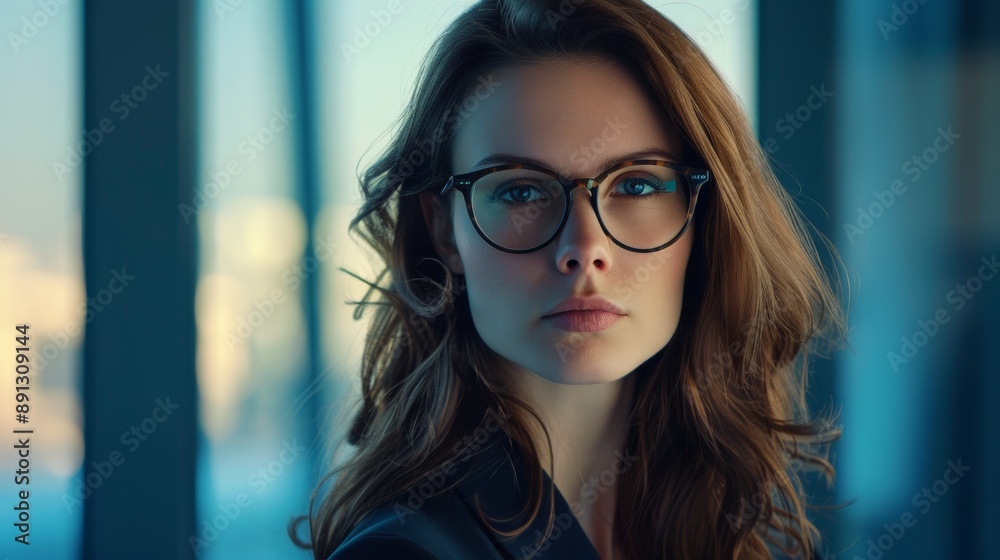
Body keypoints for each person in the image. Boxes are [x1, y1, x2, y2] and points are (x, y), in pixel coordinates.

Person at [291, 0, 847, 558]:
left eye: (636, 185)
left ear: (703, 218)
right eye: (520, 191)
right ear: (445, 232)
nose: (583, 249)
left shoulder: (728, 528)